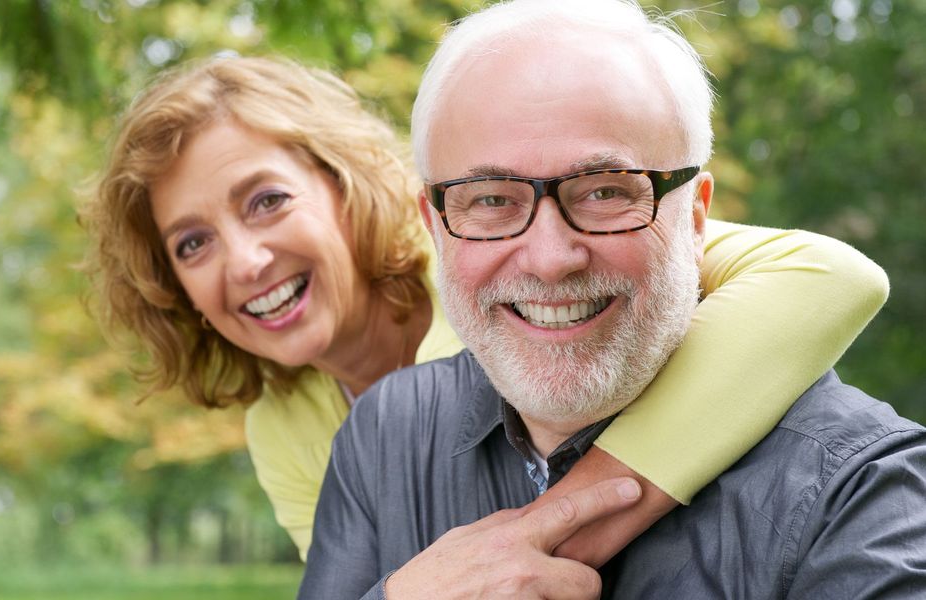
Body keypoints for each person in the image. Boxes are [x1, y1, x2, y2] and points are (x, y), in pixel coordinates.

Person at [83, 53, 889, 565]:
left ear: (345, 186)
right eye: (191, 244)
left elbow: (830, 275)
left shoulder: (504, 261)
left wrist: (577, 512)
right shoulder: (287, 429)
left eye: (265, 201)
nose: (244, 261)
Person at [298, 0, 926, 597]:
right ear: (435, 225)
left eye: (606, 192)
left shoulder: (860, 494)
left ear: (697, 217)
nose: (549, 260)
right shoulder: (386, 432)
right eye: (490, 199)